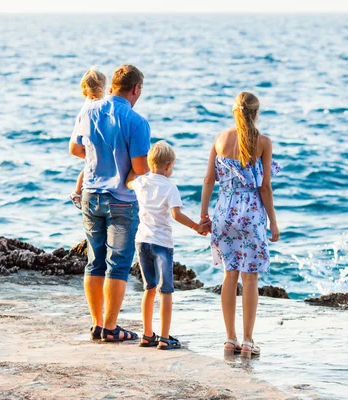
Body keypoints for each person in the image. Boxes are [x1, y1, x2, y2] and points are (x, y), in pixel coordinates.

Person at [69, 64, 150, 342]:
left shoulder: (89, 110)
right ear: (136, 89)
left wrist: (98, 160)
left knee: (94, 261)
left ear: (113, 85)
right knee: (117, 264)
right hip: (121, 201)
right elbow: (140, 167)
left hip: (91, 195)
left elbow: (77, 148)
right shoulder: (137, 122)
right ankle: (111, 328)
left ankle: (96, 323)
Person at [200, 91, 281, 358]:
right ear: (256, 113)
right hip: (251, 215)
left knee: (229, 275)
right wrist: (273, 222)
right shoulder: (263, 142)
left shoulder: (220, 139)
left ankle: (229, 338)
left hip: (224, 211)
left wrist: (204, 215)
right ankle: (247, 341)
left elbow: (209, 181)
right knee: (250, 279)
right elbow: (265, 187)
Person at [126, 141, 210, 350]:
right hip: (162, 243)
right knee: (166, 291)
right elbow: (176, 214)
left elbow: (129, 181)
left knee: (149, 288)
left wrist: (130, 163)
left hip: (142, 241)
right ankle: (164, 338)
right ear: (169, 165)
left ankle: (147, 335)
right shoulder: (170, 187)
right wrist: (196, 227)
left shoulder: (142, 182)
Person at [69, 67, 107, 209]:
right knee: (87, 167)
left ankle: (77, 192)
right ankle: (76, 192)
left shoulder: (85, 109)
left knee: (87, 167)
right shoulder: (103, 106)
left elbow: (74, 148)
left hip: (91, 149)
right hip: (99, 151)